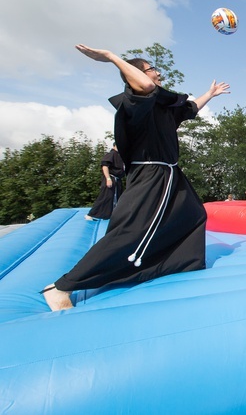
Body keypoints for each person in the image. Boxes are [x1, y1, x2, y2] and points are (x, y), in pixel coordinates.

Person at [41, 45, 230, 311]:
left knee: (193, 215)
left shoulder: (162, 107)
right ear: (137, 75)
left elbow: (189, 109)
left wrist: (209, 94)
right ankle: (62, 287)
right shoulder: (135, 103)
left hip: (169, 174)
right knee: (130, 230)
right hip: (151, 175)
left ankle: (174, 265)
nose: (158, 73)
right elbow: (143, 85)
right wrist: (111, 57)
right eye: (152, 69)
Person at [85, 144, 126, 221]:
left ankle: (111, 214)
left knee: (117, 198)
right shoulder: (111, 154)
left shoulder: (119, 155)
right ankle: (91, 214)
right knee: (105, 197)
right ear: (115, 145)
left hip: (117, 180)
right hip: (111, 178)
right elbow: (105, 166)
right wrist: (108, 178)